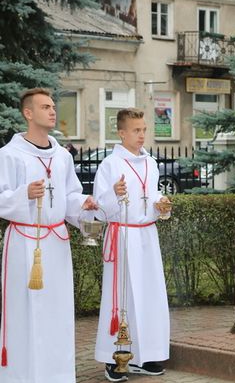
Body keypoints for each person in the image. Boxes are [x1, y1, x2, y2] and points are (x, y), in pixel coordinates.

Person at [0, 87, 98, 382]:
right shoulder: (10, 155)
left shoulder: (62, 156)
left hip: (56, 244)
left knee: (58, 311)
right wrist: (24, 194)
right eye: (45, 107)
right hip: (25, 242)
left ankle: (57, 375)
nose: (53, 111)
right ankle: (23, 375)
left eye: (53, 106)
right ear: (28, 113)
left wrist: (84, 204)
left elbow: (69, 196)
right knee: (25, 310)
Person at [93, 108, 171, 382]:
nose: (141, 135)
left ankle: (145, 354)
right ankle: (115, 358)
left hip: (147, 236)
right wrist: (113, 194)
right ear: (122, 132)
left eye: (144, 130)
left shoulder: (151, 163)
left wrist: (161, 205)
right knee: (121, 299)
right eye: (136, 130)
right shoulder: (110, 165)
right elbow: (99, 209)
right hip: (123, 236)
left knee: (149, 297)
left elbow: (153, 194)